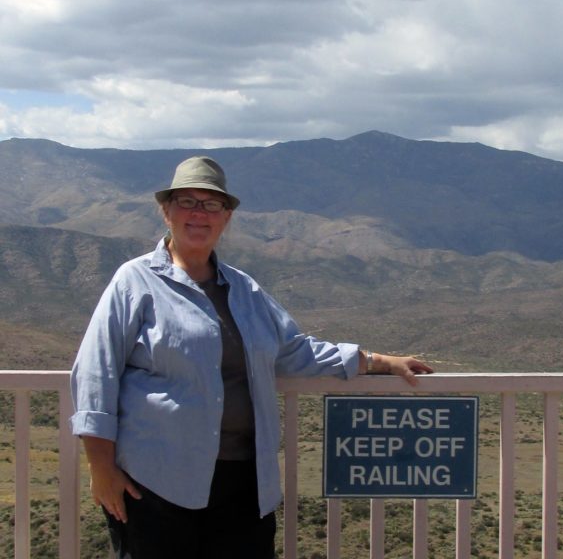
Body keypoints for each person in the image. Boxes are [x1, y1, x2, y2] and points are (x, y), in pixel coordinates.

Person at [70, 155, 433, 559]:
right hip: (156, 484)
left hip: (242, 483)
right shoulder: (134, 281)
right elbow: (95, 373)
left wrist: (379, 362)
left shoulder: (245, 290)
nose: (198, 213)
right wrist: (101, 469)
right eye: (187, 201)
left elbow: (294, 351)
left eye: (211, 204)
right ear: (166, 211)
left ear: (226, 217)